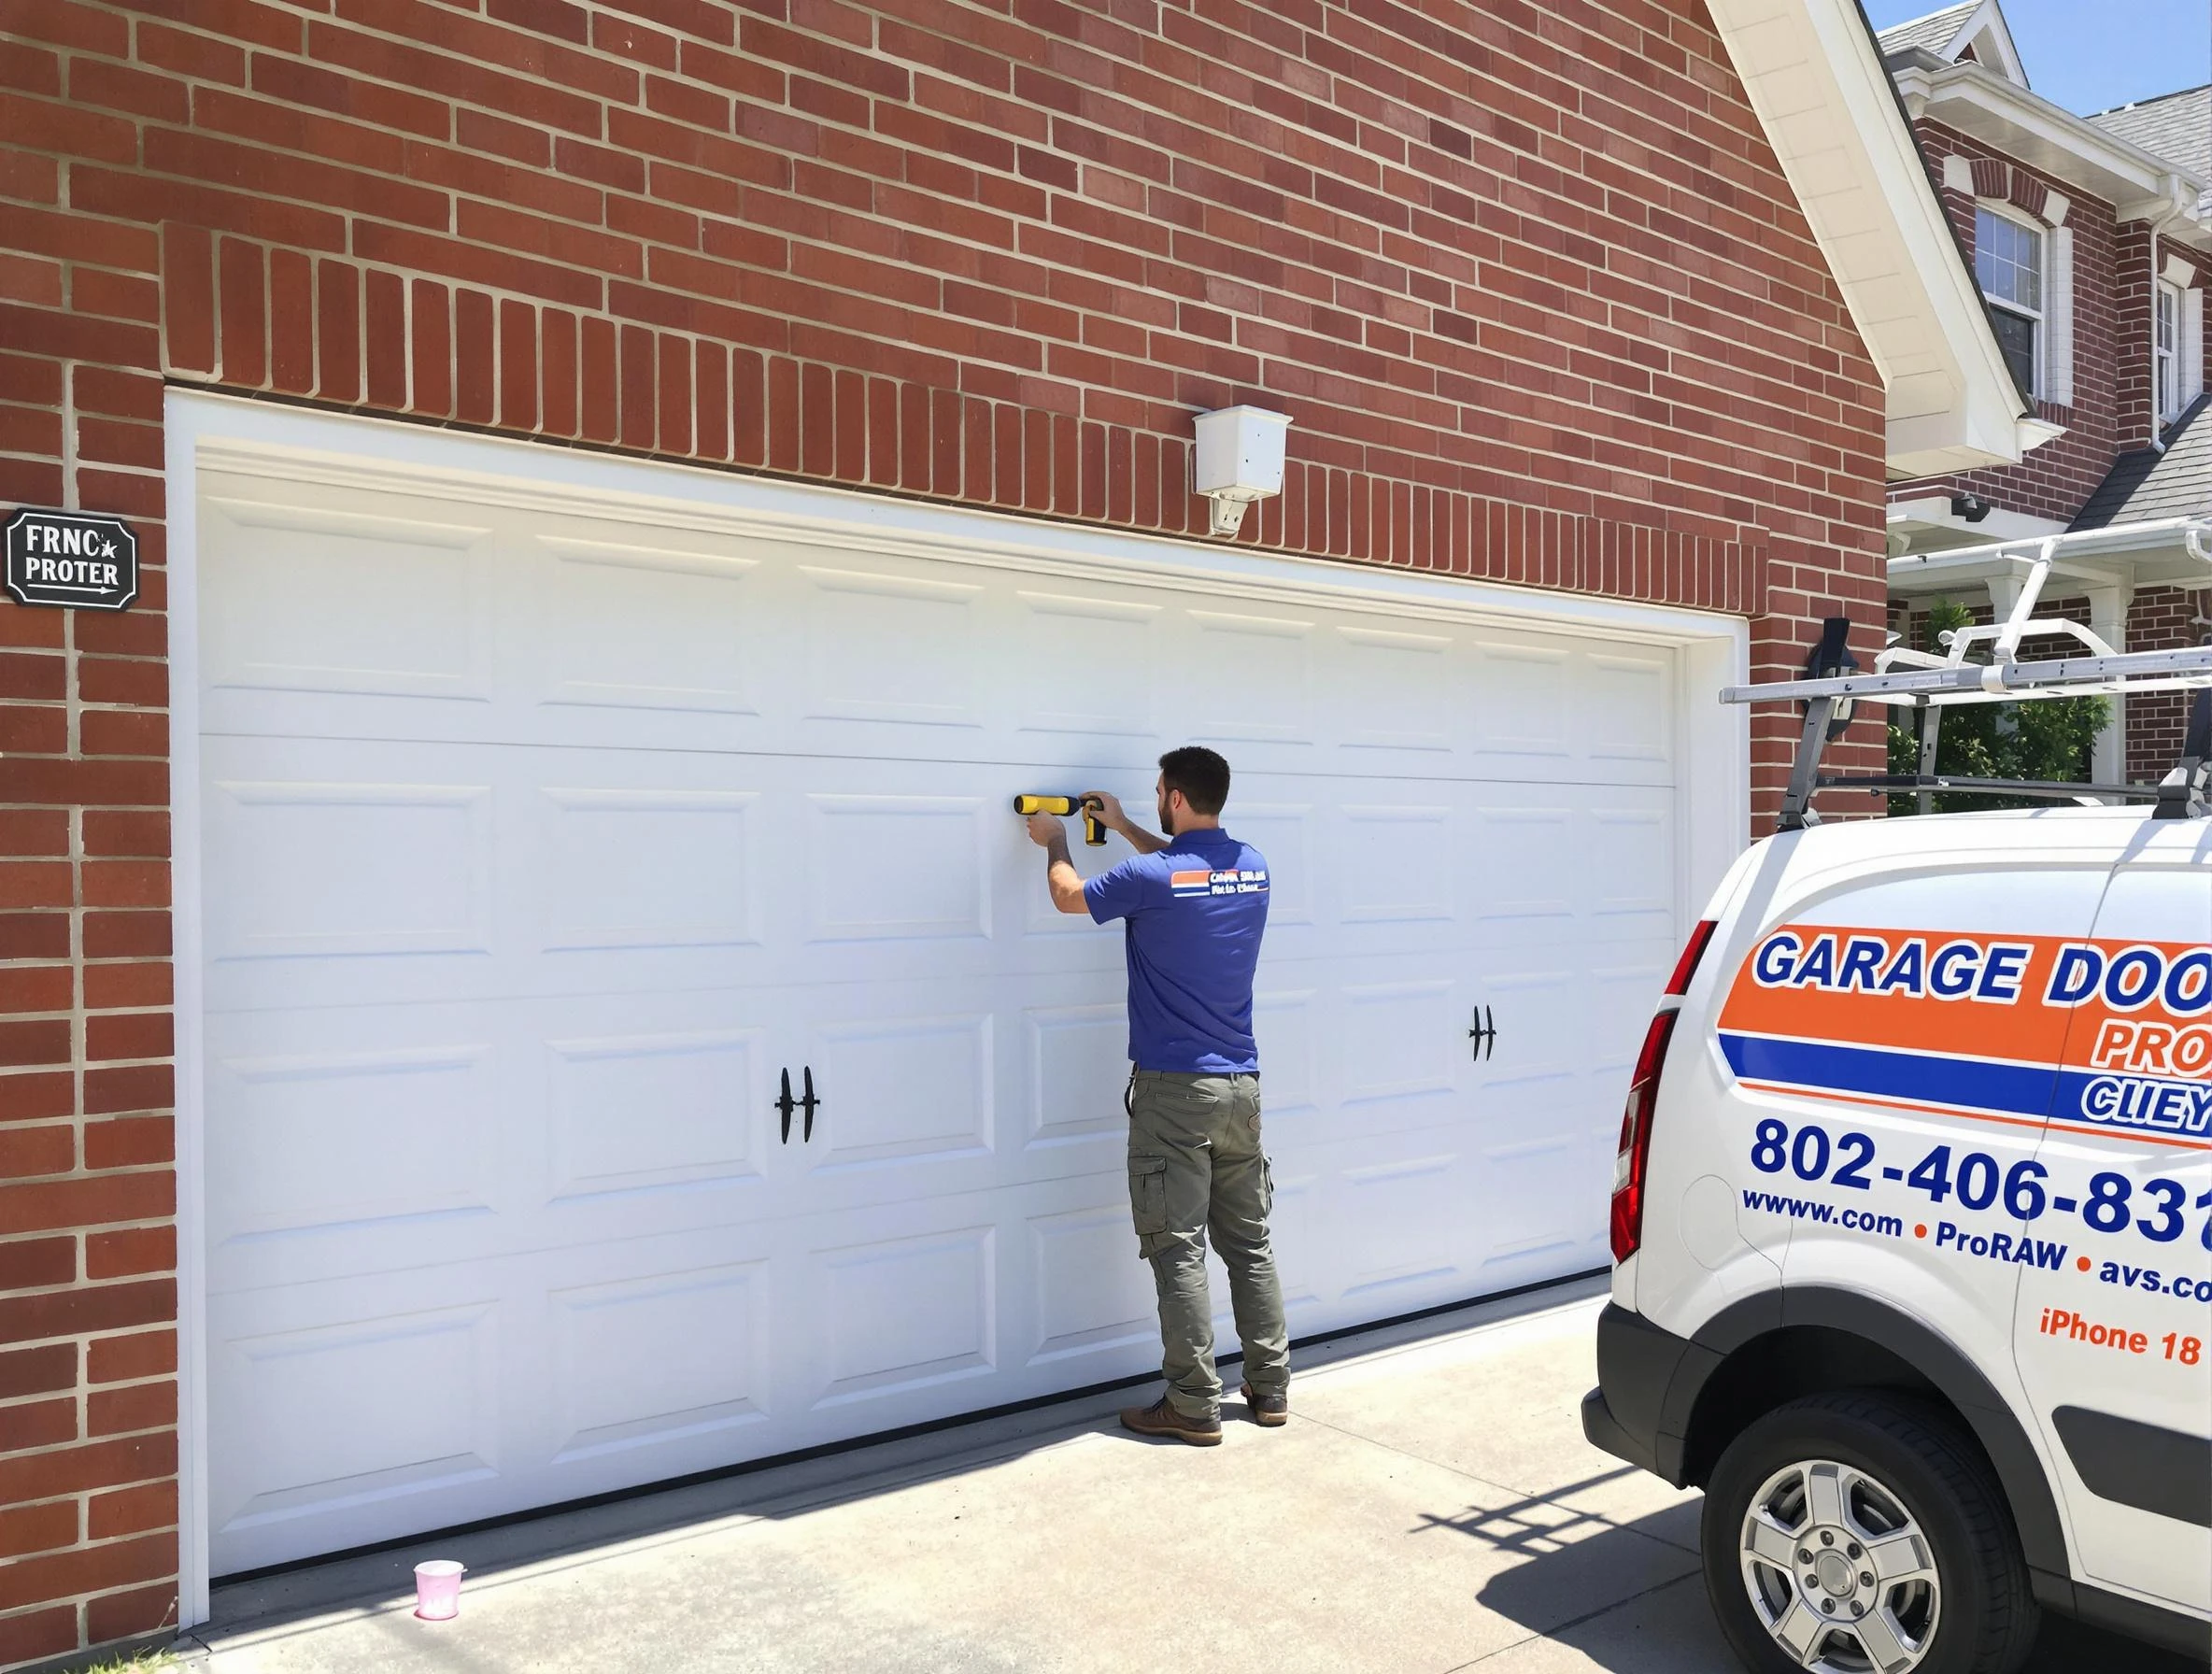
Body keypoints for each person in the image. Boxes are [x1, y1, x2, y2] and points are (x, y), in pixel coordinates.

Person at [1025, 745, 1288, 1445]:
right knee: (1250, 1247)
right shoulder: (1252, 867)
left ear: (1173, 795)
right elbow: (1185, 866)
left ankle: (1194, 1404)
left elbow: (1068, 896)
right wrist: (1130, 824)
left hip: (1176, 1094)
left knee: (1178, 1249)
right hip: (1242, 1089)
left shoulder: (1152, 877)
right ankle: (1269, 1388)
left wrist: (1054, 841)